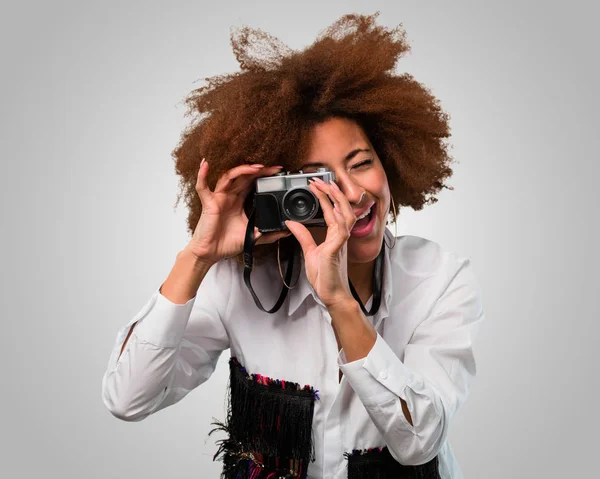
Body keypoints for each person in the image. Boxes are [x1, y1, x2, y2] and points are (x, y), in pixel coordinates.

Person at [101, 12, 485, 479]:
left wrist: (340, 301)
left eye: (361, 163)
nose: (352, 195)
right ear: (279, 194)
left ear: (393, 160)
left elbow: (419, 441)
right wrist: (197, 256)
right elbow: (127, 399)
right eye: (316, 181)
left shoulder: (440, 278)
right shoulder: (238, 282)